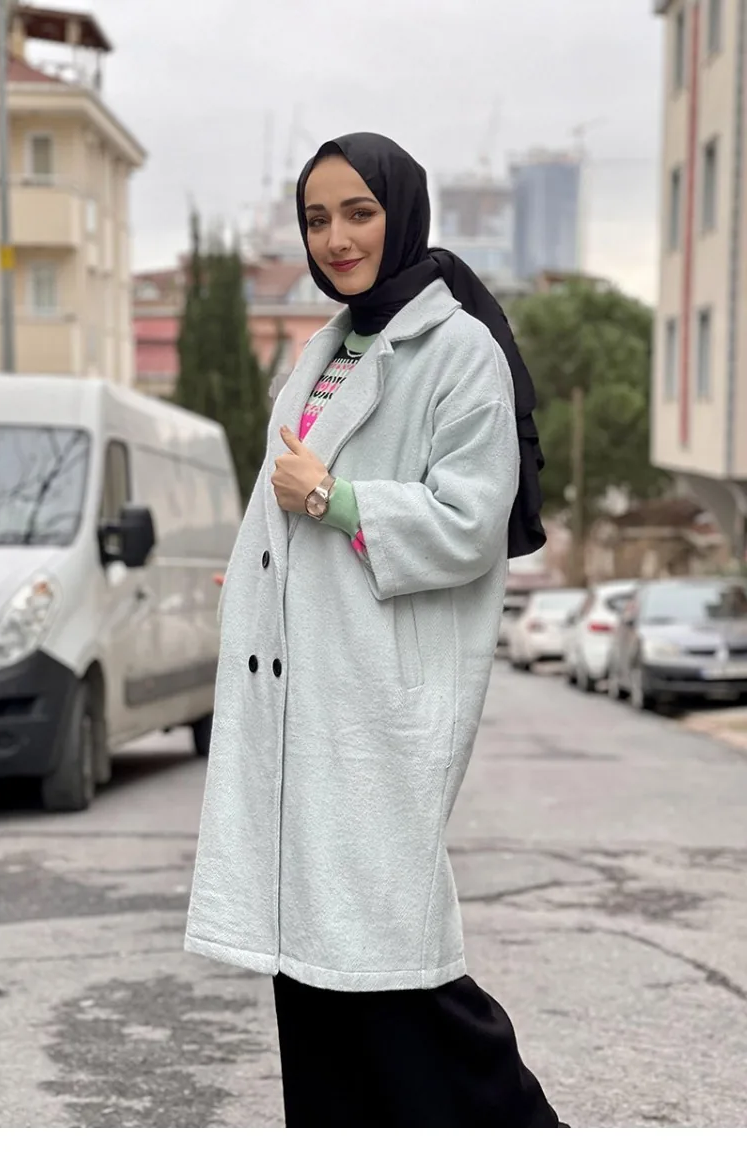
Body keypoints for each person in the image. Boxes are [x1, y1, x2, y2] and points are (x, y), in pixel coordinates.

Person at [185, 132, 566, 1128]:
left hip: (374, 700)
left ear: (402, 213)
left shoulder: (458, 351)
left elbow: (470, 521)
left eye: (359, 212)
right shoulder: (324, 348)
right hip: (298, 701)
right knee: (309, 971)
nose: (337, 238)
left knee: (399, 971)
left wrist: (334, 498)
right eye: (317, 219)